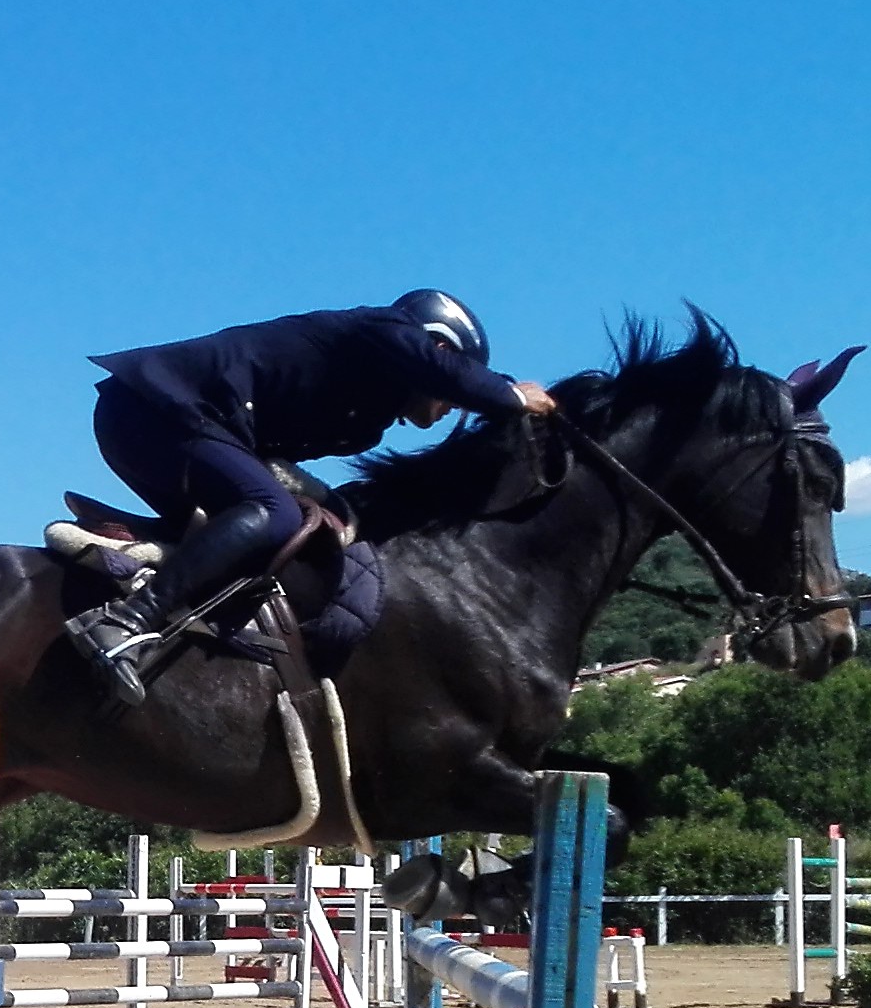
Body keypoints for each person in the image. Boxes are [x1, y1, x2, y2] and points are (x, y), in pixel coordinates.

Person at [63, 290, 554, 704]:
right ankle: (126, 622)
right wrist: (512, 394)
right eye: (452, 380)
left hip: (155, 423)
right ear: (437, 348)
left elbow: (264, 458)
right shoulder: (383, 329)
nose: (451, 406)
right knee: (271, 512)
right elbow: (447, 373)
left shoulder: (362, 426)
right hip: (156, 409)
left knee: (250, 533)